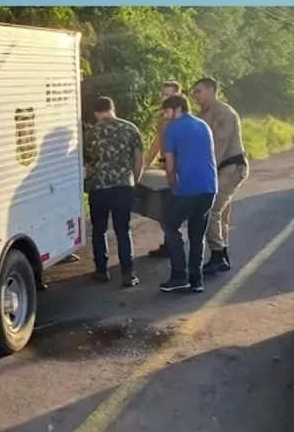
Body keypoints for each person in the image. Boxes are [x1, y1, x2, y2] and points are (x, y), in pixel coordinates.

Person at [157, 94, 217, 293]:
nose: (165, 116)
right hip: (209, 188)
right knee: (197, 233)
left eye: (167, 111)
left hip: (188, 188)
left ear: (177, 109)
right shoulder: (203, 125)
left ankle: (179, 275)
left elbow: (170, 167)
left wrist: (174, 187)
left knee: (170, 225)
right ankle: (196, 279)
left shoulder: (172, 129)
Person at [83, 96, 144, 287]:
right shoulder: (130, 128)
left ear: (95, 113)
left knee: (99, 231)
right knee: (122, 230)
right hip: (123, 187)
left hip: (98, 189)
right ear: (113, 108)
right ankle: (128, 274)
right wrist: (135, 181)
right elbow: (138, 159)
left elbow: (85, 163)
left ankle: (101, 271)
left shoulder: (90, 134)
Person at [191, 77, 248, 276]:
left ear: (211, 90)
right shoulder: (205, 113)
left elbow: (219, 144)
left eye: (198, 91)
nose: (195, 95)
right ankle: (222, 255)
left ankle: (217, 255)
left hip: (229, 166)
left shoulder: (222, 111)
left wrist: (207, 170)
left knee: (211, 210)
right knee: (221, 213)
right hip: (222, 167)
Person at [143, 80, 183, 259]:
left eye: (168, 95)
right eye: (163, 94)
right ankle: (170, 242)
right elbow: (157, 140)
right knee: (164, 208)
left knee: (172, 208)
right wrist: (146, 163)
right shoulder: (163, 118)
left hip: (177, 166)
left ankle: (174, 244)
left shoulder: (183, 118)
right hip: (165, 164)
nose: (164, 98)